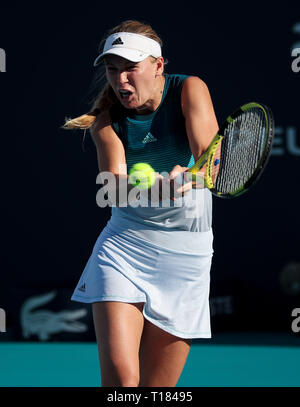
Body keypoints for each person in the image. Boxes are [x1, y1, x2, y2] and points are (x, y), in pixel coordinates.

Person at [62, 19, 219, 387]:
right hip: (124, 249)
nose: (120, 80)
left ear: (158, 66)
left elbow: (213, 163)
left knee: (157, 389)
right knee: (121, 380)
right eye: (112, 70)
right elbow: (113, 190)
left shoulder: (189, 89)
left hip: (187, 256)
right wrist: (156, 191)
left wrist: (192, 175)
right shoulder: (106, 121)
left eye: (130, 68)